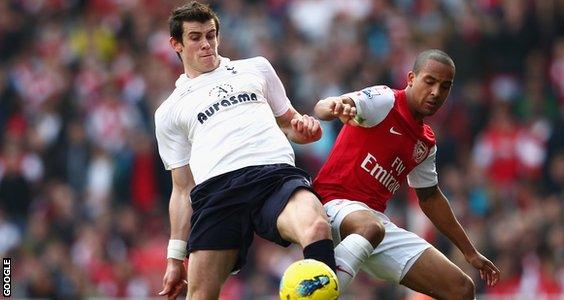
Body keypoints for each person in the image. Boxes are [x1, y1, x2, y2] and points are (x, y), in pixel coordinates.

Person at [154, 2, 336, 299]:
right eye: (195, 37)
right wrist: (175, 258)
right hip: (219, 193)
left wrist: (306, 131)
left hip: (274, 177)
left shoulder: (256, 68)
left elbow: (290, 125)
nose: (206, 44)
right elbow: (182, 188)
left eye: (211, 35)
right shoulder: (169, 111)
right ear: (176, 44)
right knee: (199, 295)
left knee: (316, 226)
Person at [313, 49, 500, 299]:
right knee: (371, 226)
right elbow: (324, 107)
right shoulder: (384, 100)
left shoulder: (425, 143)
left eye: (445, 86)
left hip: (373, 225)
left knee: (461, 289)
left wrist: (469, 252)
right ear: (411, 78)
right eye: (430, 81)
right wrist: (334, 107)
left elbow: (430, 198)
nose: (436, 92)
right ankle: (315, 291)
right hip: (331, 205)